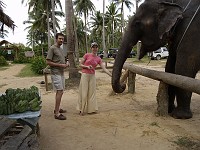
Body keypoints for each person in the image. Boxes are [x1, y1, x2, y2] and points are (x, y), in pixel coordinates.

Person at [77, 42, 112, 116]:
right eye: (93, 47)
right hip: (85, 75)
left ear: (97, 48)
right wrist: (86, 67)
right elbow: (80, 64)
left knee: (92, 93)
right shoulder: (87, 55)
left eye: (96, 47)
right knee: (84, 92)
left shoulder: (98, 58)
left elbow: (104, 68)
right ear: (91, 48)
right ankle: (81, 109)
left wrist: (111, 75)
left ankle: (91, 109)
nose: (95, 49)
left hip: (92, 76)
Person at [46, 33, 70, 120]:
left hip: (61, 73)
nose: (61, 40)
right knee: (59, 91)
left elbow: (64, 59)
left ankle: (57, 108)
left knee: (61, 91)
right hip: (55, 73)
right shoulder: (52, 48)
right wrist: (60, 65)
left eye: (62, 39)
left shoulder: (60, 48)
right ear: (56, 39)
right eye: (60, 38)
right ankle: (56, 113)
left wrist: (67, 63)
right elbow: (48, 62)